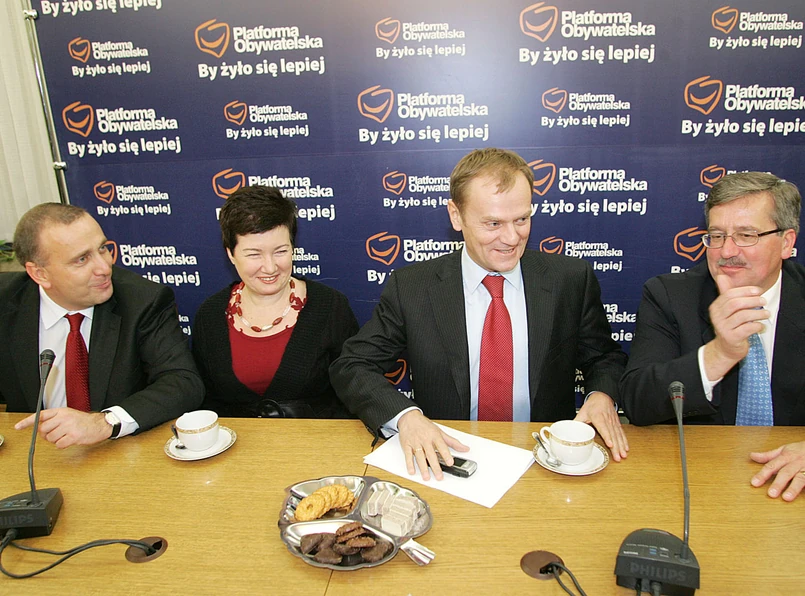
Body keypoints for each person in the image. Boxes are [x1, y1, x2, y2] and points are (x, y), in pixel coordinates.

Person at [330, 148, 628, 480]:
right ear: (456, 216)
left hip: (545, 463)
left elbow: (604, 357)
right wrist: (406, 417)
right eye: (493, 223)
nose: (512, 238)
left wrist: (601, 394)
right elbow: (352, 366)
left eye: (522, 219)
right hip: (450, 461)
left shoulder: (570, 280)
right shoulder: (413, 287)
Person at [620, 171, 805, 501]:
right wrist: (719, 354)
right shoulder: (670, 295)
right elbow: (638, 402)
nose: (727, 250)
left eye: (746, 235)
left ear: (787, 242)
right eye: (716, 236)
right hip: (700, 478)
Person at [1, 203, 204, 447]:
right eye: (82, 259)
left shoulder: (143, 301)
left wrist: (105, 422)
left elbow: (182, 382)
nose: (104, 267)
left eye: (103, 249)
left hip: (117, 450)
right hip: (32, 450)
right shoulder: (6, 303)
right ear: (40, 274)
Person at [192, 185, 358, 418]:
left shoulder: (331, 306)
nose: (270, 267)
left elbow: (357, 391)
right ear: (231, 253)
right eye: (254, 254)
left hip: (317, 440)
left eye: (280, 251)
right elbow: (203, 401)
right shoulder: (210, 315)